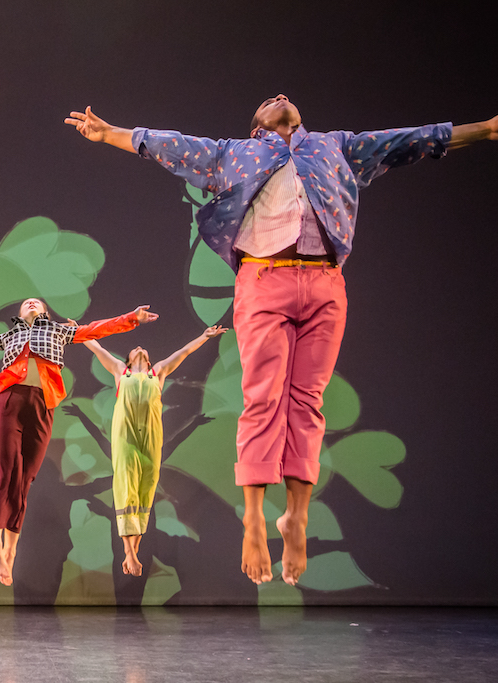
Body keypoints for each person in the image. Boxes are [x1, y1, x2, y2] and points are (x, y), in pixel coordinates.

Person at [66, 97, 498, 586]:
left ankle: (296, 515)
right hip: (263, 279)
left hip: (324, 284)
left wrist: (484, 129)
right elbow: (169, 147)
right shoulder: (235, 154)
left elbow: (410, 140)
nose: (279, 97)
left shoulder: (335, 147)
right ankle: (253, 518)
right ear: (256, 129)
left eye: (285, 98)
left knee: (307, 401)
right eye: (268, 101)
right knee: (263, 396)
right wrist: (113, 133)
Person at [0, 298, 158, 585]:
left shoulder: (57, 331)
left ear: (45, 312)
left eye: (37, 302)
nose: (31, 302)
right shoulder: (11, 334)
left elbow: (94, 330)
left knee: (25, 479)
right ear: (19, 314)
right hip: (10, 401)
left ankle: (11, 549)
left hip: (42, 405)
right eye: (27, 302)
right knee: (5, 473)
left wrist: (132, 317)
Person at [82, 326, 227, 577]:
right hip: (125, 436)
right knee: (127, 487)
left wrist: (204, 337)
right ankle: (129, 553)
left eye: (142, 348)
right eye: (134, 348)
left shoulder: (157, 371)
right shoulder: (120, 370)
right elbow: (97, 348)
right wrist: (79, 332)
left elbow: (183, 353)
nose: (139, 347)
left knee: (144, 491)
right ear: (128, 357)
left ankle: (132, 554)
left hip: (150, 437)